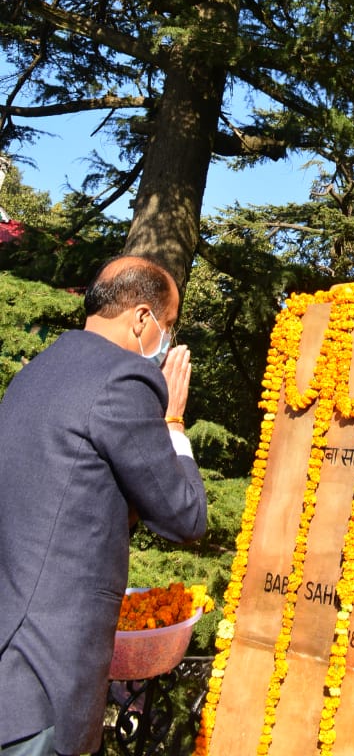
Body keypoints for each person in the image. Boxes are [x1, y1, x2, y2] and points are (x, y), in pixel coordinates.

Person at [0, 255, 207, 756]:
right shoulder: (123, 380)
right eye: (168, 324)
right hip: (44, 681)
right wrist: (174, 422)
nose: (167, 341)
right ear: (141, 319)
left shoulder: (36, 372)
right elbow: (184, 517)